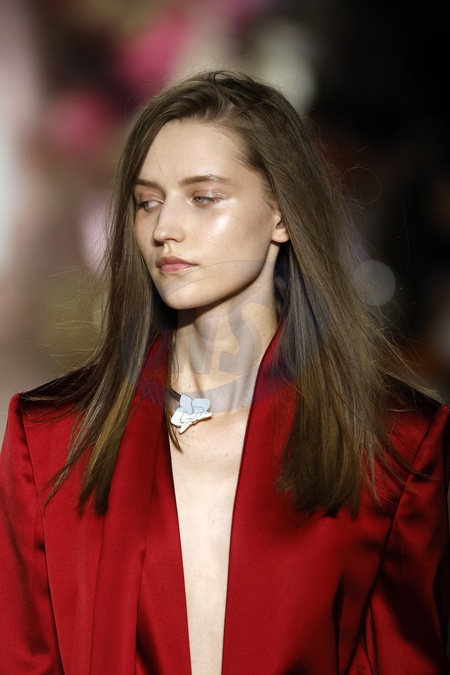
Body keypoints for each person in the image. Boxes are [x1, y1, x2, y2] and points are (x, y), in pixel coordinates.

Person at [0, 70, 449, 675]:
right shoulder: (50, 439)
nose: (165, 229)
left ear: (282, 214)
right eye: (148, 202)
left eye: (203, 197)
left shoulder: (395, 445)